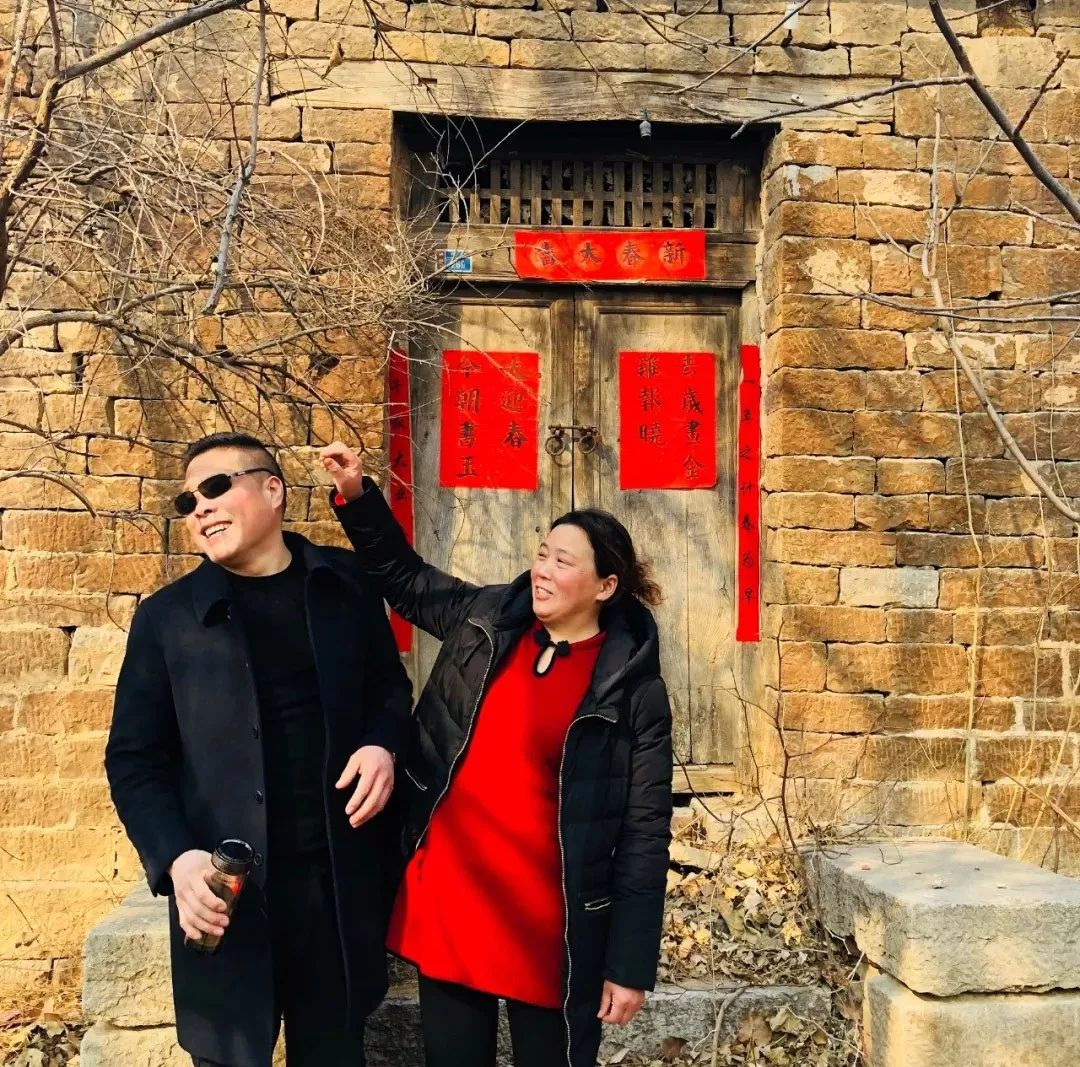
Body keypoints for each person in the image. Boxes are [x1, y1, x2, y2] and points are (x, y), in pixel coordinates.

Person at [320, 441, 673, 1067]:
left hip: (549, 926)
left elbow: (645, 831)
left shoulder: (632, 690)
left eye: (563, 561)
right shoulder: (488, 618)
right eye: (542, 553)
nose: (543, 570)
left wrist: (628, 964)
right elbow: (405, 581)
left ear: (606, 585)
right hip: (454, 899)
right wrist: (356, 497)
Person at [105, 432, 412, 1067]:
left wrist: (381, 744)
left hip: (334, 887)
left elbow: (388, 689)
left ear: (273, 490)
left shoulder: (344, 583)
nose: (201, 508)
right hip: (224, 890)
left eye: (216, 487)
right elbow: (134, 759)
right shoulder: (168, 619)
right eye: (187, 501)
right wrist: (176, 859)